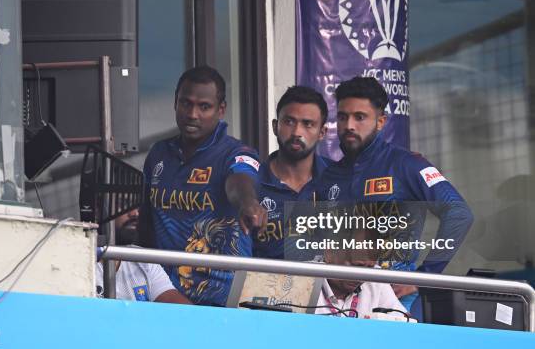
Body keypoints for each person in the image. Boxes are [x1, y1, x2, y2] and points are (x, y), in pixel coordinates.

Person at [321, 76, 474, 311]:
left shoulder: (405, 164)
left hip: (397, 302)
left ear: (381, 121)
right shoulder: (329, 176)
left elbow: (459, 213)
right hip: (336, 303)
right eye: (342, 117)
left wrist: (423, 279)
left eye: (359, 117)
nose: (349, 125)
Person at [137, 66, 267, 306]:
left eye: (204, 106)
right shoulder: (158, 154)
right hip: (164, 298)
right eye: (186, 103)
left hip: (223, 301)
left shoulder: (236, 152)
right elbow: (146, 225)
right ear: (175, 103)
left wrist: (247, 203)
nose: (192, 114)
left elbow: (239, 181)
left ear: (221, 110)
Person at [254, 86, 332, 259]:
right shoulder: (252, 184)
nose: (297, 132)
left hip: (329, 284)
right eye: (289, 122)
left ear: (322, 132)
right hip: (265, 284)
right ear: (275, 126)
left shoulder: (338, 180)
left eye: (308, 124)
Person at [315, 228, 407, 318]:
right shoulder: (304, 277)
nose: (362, 277)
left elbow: (406, 322)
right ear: (329, 253)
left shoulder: (376, 279)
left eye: (370, 267)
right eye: (357, 266)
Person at [95, 258, 192, 304]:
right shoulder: (85, 261)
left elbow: (183, 310)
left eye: (139, 215)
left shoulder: (143, 258)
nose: (134, 215)